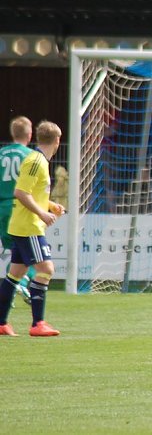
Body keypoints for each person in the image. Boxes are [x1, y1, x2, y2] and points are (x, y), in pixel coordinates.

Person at [0, 120, 64, 337]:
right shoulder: (36, 161)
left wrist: (50, 205)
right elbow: (21, 193)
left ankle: (1, 323)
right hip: (29, 226)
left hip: (21, 225)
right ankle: (38, 323)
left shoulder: (38, 160)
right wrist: (42, 214)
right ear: (57, 141)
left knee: (15, 274)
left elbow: (32, 193)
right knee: (46, 269)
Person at [0, 116, 36, 304]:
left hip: (3, 207)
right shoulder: (31, 156)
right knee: (31, 252)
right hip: (21, 207)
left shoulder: (1, 154)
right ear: (30, 135)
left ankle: (9, 292)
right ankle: (20, 282)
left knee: (13, 250)